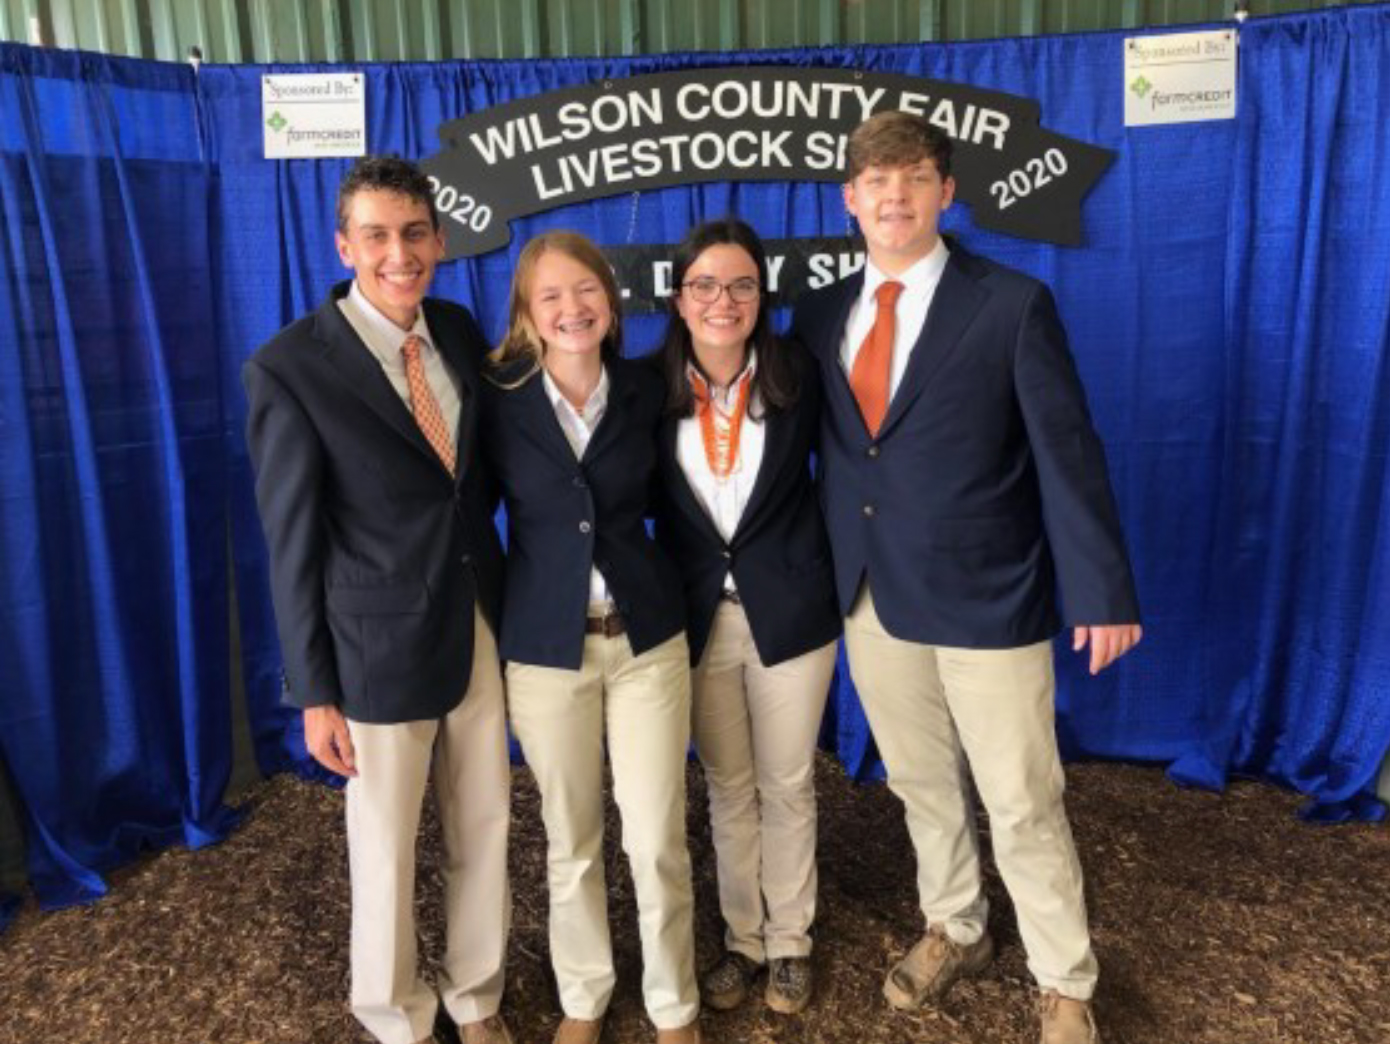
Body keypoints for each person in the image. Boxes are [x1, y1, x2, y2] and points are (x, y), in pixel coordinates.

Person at [790, 111, 1142, 1044]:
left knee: (1023, 795)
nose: (893, 196)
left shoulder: (1011, 304)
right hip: (872, 596)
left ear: (947, 193)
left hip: (991, 595)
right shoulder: (824, 313)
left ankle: (1065, 979)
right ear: (849, 201)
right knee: (920, 781)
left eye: (913, 178)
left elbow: (1067, 453)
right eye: (875, 182)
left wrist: (1101, 589)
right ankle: (958, 923)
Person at [243, 156, 512, 1044]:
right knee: (387, 849)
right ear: (344, 245)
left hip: (476, 621)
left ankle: (476, 999)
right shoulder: (290, 368)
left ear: (437, 240)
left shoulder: (461, 331)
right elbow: (292, 543)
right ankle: (396, 1017)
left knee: (485, 825)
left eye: (413, 234)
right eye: (376, 236)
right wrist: (314, 690)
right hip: (374, 650)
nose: (398, 254)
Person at [480, 231, 702, 1044]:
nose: (571, 309)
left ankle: (674, 1005)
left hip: (646, 643)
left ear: (610, 304)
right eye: (550, 297)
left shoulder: (647, 389)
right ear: (527, 316)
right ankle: (586, 997)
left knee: (655, 835)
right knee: (571, 837)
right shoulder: (496, 400)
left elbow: (685, 504)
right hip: (545, 650)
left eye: (586, 292)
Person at [648, 219, 841, 1016]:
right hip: (698, 616)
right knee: (727, 787)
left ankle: (791, 941)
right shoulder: (644, 389)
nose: (723, 302)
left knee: (788, 782)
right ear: (679, 298)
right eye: (705, 286)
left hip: (791, 609)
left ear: (762, 295)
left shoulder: (800, 372)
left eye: (741, 286)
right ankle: (743, 940)